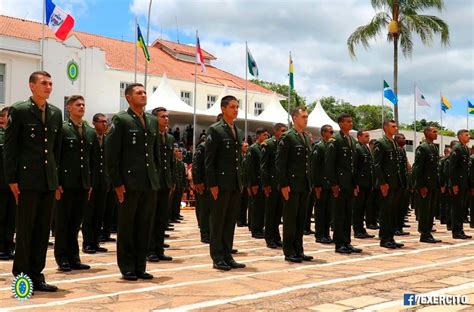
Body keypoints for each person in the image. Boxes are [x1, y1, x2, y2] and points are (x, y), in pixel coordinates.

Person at [4, 71, 62, 292]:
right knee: (26, 230)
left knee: (42, 231)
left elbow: (56, 150)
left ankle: (37, 275)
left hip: (48, 181)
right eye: (44, 83)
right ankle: (22, 277)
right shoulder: (19, 111)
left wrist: (56, 179)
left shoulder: (56, 113)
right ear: (31, 86)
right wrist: (12, 179)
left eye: (50, 83)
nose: (48, 87)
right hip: (27, 181)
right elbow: (10, 149)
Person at [106, 83, 160, 280]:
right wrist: (117, 183)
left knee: (144, 226)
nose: (144, 95)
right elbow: (112, 154)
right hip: (129, 183)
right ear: (128, 97)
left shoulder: (152, 121)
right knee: (127, 226)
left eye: (145, 92)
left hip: (149, 182)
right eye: (139, 93)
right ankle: (127, 266)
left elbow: (155, 154)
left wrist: (157, 178)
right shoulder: (121, 120)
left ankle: (140, 265)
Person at [205, 95, 246, 271]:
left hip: (235, 183)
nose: (236, 110)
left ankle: (228, 255)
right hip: (220, 183)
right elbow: (209, 160)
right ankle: (217, 257)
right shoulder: (215, 130)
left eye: (237, 107)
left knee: (230, 222)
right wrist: (212, 184)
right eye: (232, 107)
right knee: (218, 221)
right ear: (223, 109)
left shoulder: (237, 130)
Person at [54, 95, 94, 272]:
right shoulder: (62, 129)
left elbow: (90, 160)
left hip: (82, 183)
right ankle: (62, 257)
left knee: (76, 222)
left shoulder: (88, 130)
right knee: (63, 222)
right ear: (69, 108)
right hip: (66, 183)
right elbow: (56, 157)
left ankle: (74, 258)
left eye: (84, 104)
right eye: (78, 104)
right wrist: (57, 182)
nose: (82, 107)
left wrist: (90, 182)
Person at [276, 106, 313, 263]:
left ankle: (299, 249)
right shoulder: (288, 137)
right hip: (291, 185)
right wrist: (284, 184)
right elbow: (280, 163)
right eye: (303, 116)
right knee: (290, 219)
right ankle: (289, 251)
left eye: (306, 116)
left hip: (304, 184)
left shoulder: (304, 137)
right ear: (295, 118)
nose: (306, 119)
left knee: (300, 220)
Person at [325, 114, 362, 254]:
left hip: (349, 184)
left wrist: (355, 183)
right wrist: (334, 183)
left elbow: (353, 165)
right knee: (339, 215)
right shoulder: (335, 140)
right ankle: (339, 243)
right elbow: (329, 164)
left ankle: (347, 242)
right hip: (339, 184)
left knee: (348, 215)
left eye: (352, 121)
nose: (351, 124)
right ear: (340, 124)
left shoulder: (351, 140)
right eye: (348, 122)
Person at [148, 107, 175, 262]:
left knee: (161, 217)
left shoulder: (169, 138)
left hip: (165, 182)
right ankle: (149, 249)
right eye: (162, 116)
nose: (166, 119)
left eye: (167, 116)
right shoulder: (151, 136)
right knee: (151, 217)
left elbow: (170, 162)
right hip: (153, 182)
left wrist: (170, 181)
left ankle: (158, 248)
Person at [373, 120, 405, 249]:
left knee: (392, 212)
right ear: (386, 128)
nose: (395, 128)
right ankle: (385, 238)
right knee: (386, 212)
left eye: (396, 126)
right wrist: (382, 183)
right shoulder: (381, 143)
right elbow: (377, 164)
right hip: (386, 183)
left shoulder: (393, 143)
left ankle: (390, 237)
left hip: (395, 183)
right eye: (393, 126)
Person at [83, 113, 110, 254]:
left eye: (106, 122)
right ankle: (87, 243)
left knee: (100, 213)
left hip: (103, 182)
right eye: (102, 122)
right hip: (92, 182)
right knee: (89, 214)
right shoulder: (89, 137)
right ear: (94, 123)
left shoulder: (107, 139)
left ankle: (95, 242)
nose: (105, 124)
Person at [412, 127, 442, 243]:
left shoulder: (434, 147)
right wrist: (420, 185)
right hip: (425, 184)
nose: (436, 134)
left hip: (433, 184)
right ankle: (424, 234)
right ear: (426, 133)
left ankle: (428, 232)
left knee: (431, 210)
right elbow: (418, 168)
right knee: (424, 210)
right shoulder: (422, 148)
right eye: (434, 132)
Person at [261, 123, 287, 249]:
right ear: (276, 131)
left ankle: (276, 237)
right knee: (271, 213)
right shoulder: (269, 144)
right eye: (282, 131)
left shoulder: (284, 144)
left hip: (280, 184)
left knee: (278, 213)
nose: (284, 133)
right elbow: (264, 166)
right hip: (271, 184)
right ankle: (269, 238)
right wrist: (265, 184)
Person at [311, 125, 333, 244]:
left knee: (328, 211)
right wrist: (317, 185)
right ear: (323, 133)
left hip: (329, 184)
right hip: (321, 184)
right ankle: (320, 234)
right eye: (330, 132)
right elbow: (315, 167)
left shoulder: (330, 145)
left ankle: (326, 233)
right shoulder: (319, 147)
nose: (332, 134)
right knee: (320, 211)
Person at [448, 129, 472, 239]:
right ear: (460, 136)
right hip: (457, 183)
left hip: (463, 183)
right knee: (456, 207)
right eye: (467, 135)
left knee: (461, 208)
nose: (469, 136)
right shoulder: (457, 149)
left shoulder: (465, 149)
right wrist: (454, 184)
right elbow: (452, 168)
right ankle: (456, 231)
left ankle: (460, 230)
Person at [246, 128, 269, 239]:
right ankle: (255, 229)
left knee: (262, 207)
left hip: (262, 182)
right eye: (264, 135)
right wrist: (253, 183)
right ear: (258, 135)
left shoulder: (263, 147)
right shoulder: (253, 149)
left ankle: (260, 227)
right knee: (256, 207)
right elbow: (250, 168)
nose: (266, 137)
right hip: (256, 182)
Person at [352, 130, 375, 239]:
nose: (368, 138)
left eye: (368, 136)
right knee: (358, 208)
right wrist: (355, 183)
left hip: (367, 183)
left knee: (363, 208)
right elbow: (354, 167)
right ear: (359, 137)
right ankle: (357, 230)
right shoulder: (357, 148)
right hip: (360, 183)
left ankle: (362, 229)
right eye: (366, 136)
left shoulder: (365, 148)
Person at [0, 107, 15, 261]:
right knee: (1, 216)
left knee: (11, 217)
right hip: (1, 183)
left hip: (13, 184)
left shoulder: (15, 135)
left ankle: (9, 246)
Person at [192, 136, 210, 243]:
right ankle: (205, 234)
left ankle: (212, 234)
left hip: (215, 183)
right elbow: (196, 165)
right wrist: (198, 182)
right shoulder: (202, 147)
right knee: (204, 209)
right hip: (204, 182)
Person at [394, 134, 411, 236]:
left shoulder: (402, 150)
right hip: (397, 182)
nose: (404, 140)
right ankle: (395, 228)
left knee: (402, 206)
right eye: (402, 138)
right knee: (396, 207)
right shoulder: (395, 149)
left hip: (403, 182)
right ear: (397, 139)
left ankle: (399, 227)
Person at [170, 147, 186, 223]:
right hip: (174, 184)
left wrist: (182, 185)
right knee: (172, 202)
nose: (178, 153)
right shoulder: (173, 162)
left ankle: (176, 214)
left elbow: (182, 175)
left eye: (179, 151)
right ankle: (172, 217)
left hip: (179, 184)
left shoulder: (180, 163)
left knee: (177, 201)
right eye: (176, 151)